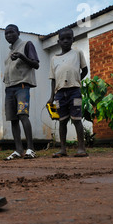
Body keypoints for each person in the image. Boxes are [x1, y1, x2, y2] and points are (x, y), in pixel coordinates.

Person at [47, 27, 88, 158]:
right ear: (58, 41)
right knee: (62, 121)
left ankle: (81, 148)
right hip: (59, 94)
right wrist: (51, 96)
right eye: (62, 39)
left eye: (68, 38)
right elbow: (53, 79)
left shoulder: (77, 53)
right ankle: (63, 149)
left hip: (74, 91)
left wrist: (76, 81)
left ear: (73, 40)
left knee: (77, 119)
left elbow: (85, 70)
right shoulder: (54, 59)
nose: (65, 41)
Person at [3, 24, 39, 160]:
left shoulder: (26, 45)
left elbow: (36, 64)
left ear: (18, 32)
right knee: (13, 119)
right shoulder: (9, 52)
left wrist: (22, 57)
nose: (8, 35)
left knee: (23, 115)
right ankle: (18, 149)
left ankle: (31, 149)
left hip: (22, 87)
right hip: (9, 88)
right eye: (6, 34)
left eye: (11, 32)